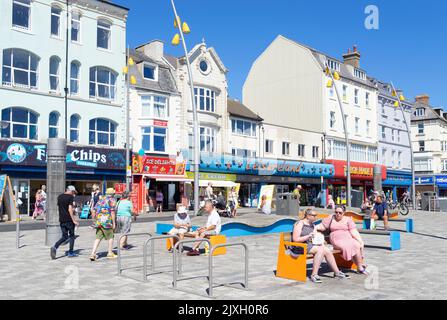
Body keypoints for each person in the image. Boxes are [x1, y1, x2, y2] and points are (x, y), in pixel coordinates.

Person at [291, 209, 349, 283]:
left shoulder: (312, 225)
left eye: (316, 215)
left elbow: (314, 238)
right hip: (298, 246)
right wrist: (308, 236)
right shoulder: (300, 223)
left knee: (326, 250)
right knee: (320, 250)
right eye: (314, 215)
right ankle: (314, 275)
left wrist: (320, 240)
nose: (316, 217)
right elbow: (295, 239)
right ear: (308, 216)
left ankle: (337, 272)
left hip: (309, 245)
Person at [319, 206, 368, 275]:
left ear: (344, 213)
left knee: (356, 244)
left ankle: (360, 267)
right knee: (345, 247)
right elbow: (322, 226)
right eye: (336, 212)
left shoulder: (348, 219)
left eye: (340, 212)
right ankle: (360, 265)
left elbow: (353, 231)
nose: (338, 214)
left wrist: (360, 241)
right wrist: (314, 228)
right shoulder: (331, 218)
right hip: (336, 239)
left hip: (347, 238)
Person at [50, 186, 79, 259]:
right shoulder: (70, 197)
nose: (73, 193)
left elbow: (60, 207)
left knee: (64, 236)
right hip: (69, 220)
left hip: (62, 219)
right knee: (72, 236)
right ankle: (71, 252)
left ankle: (55, 246)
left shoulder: (59, 197)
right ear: (71, 191)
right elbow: (70, 209)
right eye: (73, 192)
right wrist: (74, 220)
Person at [89, 188, 117, 261]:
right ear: (112, 194)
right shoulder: (112, 200)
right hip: (107, 222)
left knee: (98, 238)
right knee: (111, 237)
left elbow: (94, 210)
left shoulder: (100, 200)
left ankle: (93, 253)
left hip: (99, 222)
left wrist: (94, 220)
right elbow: (112, 212)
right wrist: (114, 223)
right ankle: (110, 252)